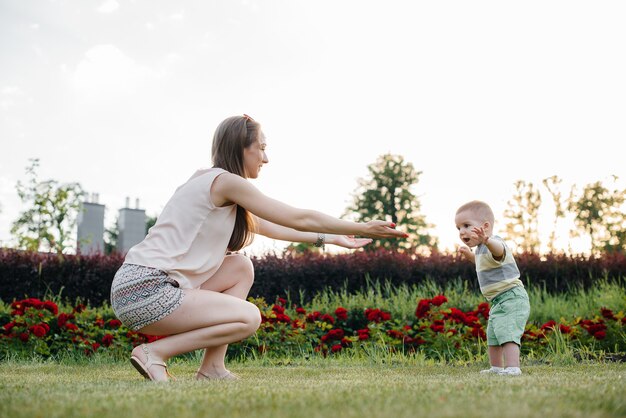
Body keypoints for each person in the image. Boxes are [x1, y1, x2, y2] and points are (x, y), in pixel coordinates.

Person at [110, 114, 408, 382]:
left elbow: (271, 226)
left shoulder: (206, 180)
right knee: (248, 317)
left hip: (134, 285)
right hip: (147, 289)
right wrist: (362, 226)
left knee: (240, 266)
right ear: (242, 147)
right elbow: (297, 217)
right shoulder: (225, 181)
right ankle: (155, 353)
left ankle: (212, 368)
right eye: (261, 148)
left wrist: (330, 239)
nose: (265, 158)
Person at [455, 200, 530, 376]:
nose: (461, 232)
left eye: (466, 225)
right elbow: (482, 262)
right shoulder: (481, 250)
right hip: (497, 301)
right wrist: (469, 256)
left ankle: (513, 367)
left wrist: (488, 241)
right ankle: (496, 367)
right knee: (494, 335)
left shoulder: (494, 242)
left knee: (508, 331)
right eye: (458, 228)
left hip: (511, 297)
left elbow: (498, 252)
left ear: (485, 226)